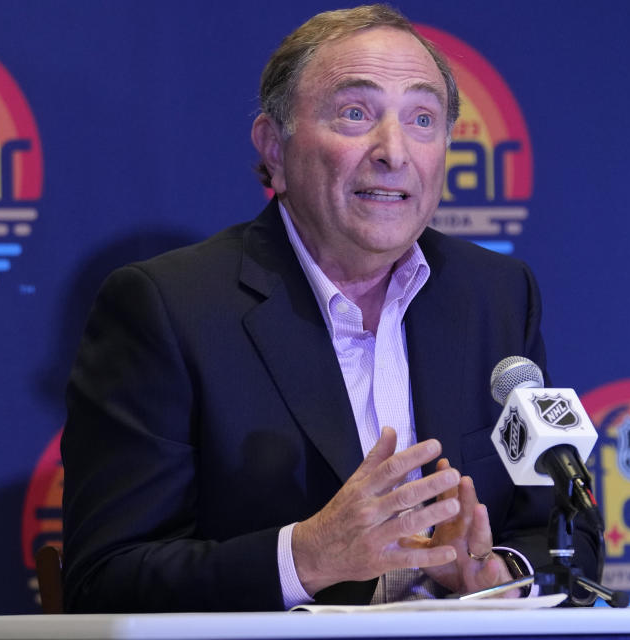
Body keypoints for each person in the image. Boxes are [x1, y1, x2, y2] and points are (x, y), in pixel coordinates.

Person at [61, 4, 601, 613]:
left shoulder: (495, 294)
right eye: (355, 114)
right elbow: (102, 581)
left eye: (422, 119)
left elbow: (569, 530)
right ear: (274, 147)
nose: (393, 151)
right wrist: (306, 556)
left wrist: (498, 572)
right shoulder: (169, 307)